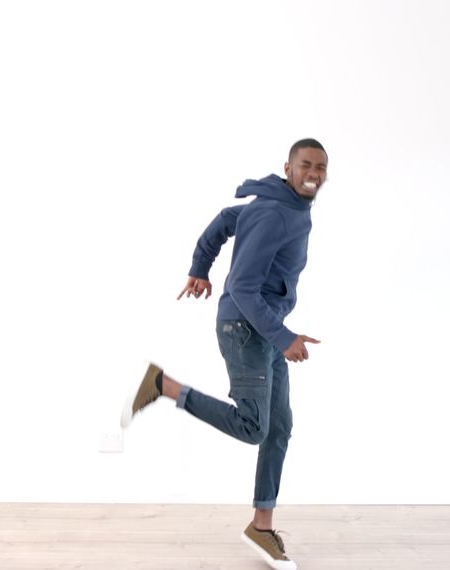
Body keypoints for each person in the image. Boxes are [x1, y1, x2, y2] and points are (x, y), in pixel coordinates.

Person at [120, 139, 328, 570]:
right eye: (305, 165)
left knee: (279, 428)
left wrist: (200, 267)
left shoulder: (282, 207)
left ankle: (262, 527)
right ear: (287, 168)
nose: (314, 173)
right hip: (246, 329)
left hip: (263, 329)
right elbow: (243, 289)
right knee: (255, 427)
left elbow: (225, 220)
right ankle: (162, 385)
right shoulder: (274, 213)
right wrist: (284, 336)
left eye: (321, 167)